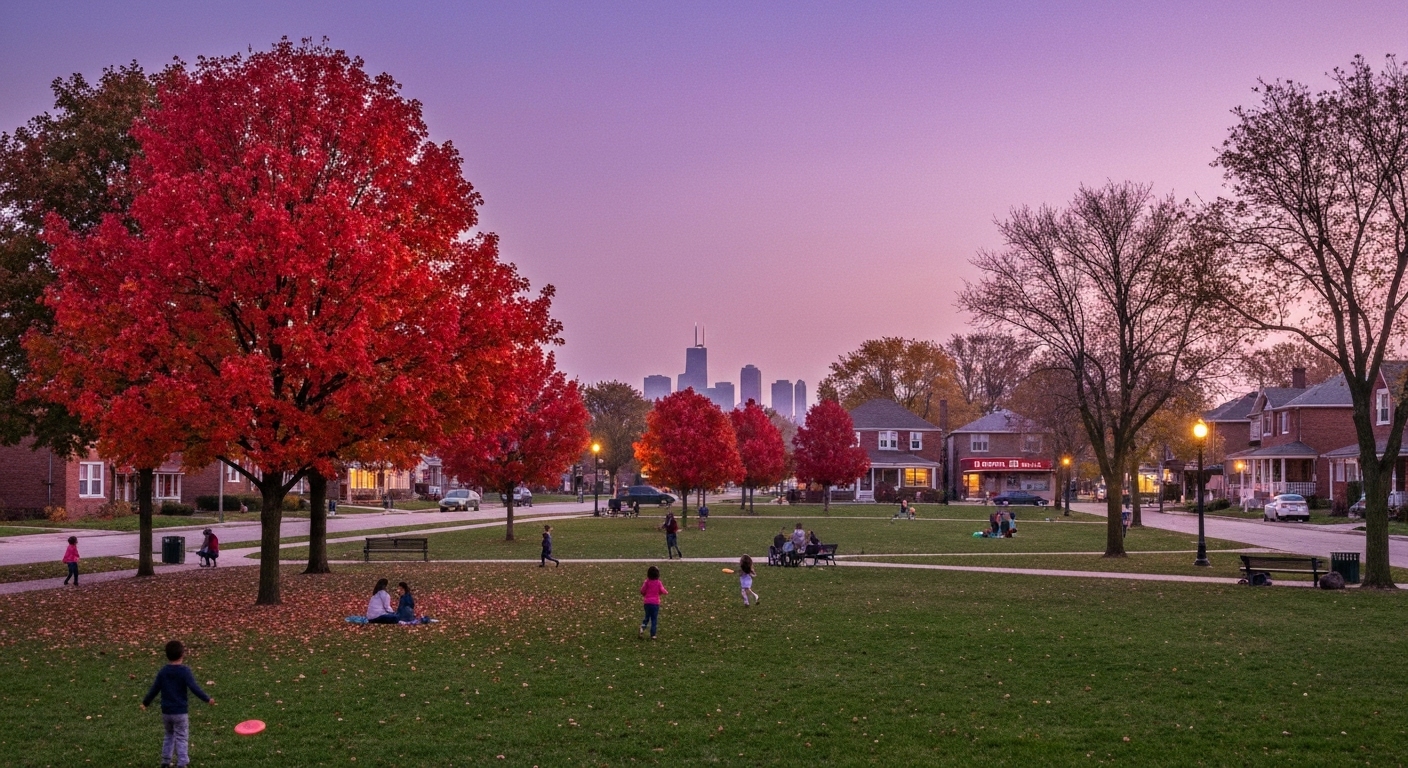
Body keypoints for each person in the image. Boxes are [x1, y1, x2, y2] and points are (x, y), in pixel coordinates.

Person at [141, 640, 214, 768]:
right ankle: (182, 762)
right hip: (180, 712)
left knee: (169, 735)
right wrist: (207, 699)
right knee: (181, 737)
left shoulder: (163, 672)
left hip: (166, 712)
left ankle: (165, 761)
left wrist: (145, 703)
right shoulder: (184, 671)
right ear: (182, 654)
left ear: (167, 655)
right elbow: (194, 688)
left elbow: (154, 689)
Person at [639, 565, 668, 639]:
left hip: (647, 603)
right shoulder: (658, 583)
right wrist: (665, 592)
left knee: (647, 617)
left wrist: (644, 594)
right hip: (655, 603)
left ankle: (642, 627)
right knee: (654, 619)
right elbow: (662, 590)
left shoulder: (647, 582)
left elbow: (642, 590)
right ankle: (653, 634)